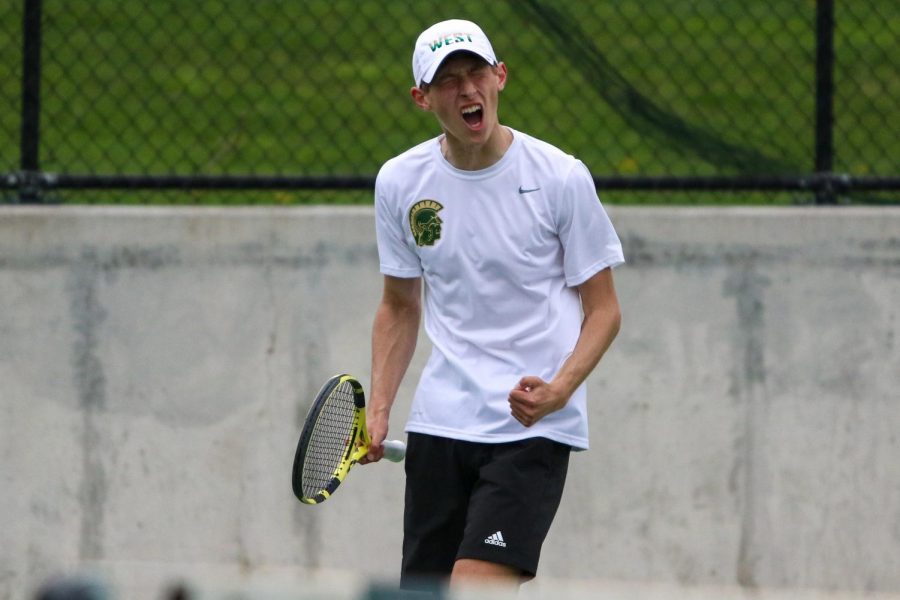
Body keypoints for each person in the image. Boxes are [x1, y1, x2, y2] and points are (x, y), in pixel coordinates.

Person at [362, 18, 624, 590]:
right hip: (439, 424)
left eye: (476, 72)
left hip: (530, 431)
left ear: (499, 76)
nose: (467, 90)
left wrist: (559, 391)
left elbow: (604, 309)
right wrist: (380, 407)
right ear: (422, 98)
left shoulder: (560, 178)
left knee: (476, 589)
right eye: (448, 80)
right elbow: (400, 306)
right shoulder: (400, 183)